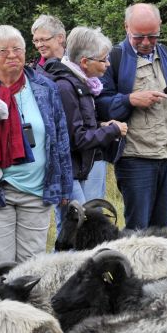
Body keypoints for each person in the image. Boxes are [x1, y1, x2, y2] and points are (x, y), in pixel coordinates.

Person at [0, 25, 72, 262]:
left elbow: (60, 138)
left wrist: (64, 186)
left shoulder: (45, 87)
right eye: (3, 51)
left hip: (37, 189)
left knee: (33, 265)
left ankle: (30, 302)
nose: (12, 55)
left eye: (17, 49)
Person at [95, 3, 167, 231]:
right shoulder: (113, 58)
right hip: (135, 158)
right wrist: (130, 100)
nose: (146, 42)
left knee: (163, 230)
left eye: (152, 36)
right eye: (139, 37)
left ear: (159, 28)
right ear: (125, 28)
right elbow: (99, 106)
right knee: (137, 230)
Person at [42, 27, 128, 236]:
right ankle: (62, 268)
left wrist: (100, 126)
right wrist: (113, 130)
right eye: (103, 60)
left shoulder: (82, 83)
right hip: (68, 170)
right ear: (84, 62)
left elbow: (77, 125)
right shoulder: (66, 87)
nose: (108, 64)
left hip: (78, 169)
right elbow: (76, 139)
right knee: (77, 227)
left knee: (77, 227)